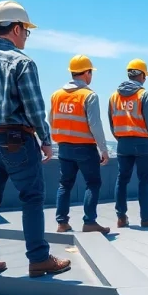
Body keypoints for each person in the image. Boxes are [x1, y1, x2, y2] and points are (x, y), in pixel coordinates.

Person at [0, 0, 71, 278]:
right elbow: (34, 108)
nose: (26, 37)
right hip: (16, 141)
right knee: (31, 199)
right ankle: (39, 259)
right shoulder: (22, 63)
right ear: (17, 28)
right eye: (27, 32)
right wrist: (45, 139)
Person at [50, 55, 111, 234]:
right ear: (87, 73)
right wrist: (103, 149)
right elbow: (95, 125)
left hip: (64, 147)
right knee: (93, 183)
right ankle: (90, 222)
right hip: (85, 147)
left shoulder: (56, 95)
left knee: (65, 184)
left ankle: (62, 223)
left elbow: (51, 119)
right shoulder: (89, 95)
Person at [109, 58, 148, 227]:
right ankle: (146, 217)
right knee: (144, 180)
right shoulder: (144, 95)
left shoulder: (114, 96)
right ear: (140, 75)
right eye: (145, 76)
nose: (145, 79)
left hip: (123, 143)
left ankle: (121, 217)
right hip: (142, 143)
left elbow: (112, 122)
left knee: (122, 179)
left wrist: (120, 138)